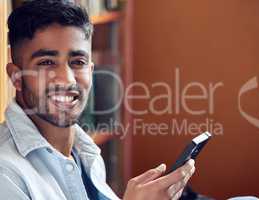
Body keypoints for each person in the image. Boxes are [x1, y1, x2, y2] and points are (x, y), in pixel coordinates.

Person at [0, 0, 195, 199]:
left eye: (77, 62)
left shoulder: (84, 151)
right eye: (47, 62)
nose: (67, 79)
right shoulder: (5, 173)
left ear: (91, 70)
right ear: (16, 77)